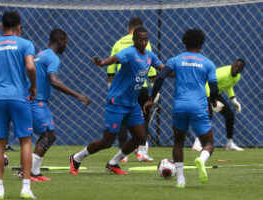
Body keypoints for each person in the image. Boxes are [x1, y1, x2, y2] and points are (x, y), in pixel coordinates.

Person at [69, 26, 164, 175]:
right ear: (134, 40)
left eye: (145, 39)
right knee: (107, 141)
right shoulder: (129, 52)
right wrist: (101, 63)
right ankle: (76, 158)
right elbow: (114, 59)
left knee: (140, 137)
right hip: (117, 101)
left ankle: (113, 163)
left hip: (132, 104)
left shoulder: (150, 56)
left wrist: (176, 71)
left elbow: (163, 68)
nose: (143, 42)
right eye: (140, 39)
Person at [143, 29, 221, 188]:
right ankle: (202, 159)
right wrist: (213, 101)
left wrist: (152, 98)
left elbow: (160, 78)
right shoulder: (208, 63)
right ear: (202, 43)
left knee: (178, 142)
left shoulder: (175, 60)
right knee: (208, 143)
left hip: (179, 106)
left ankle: (180, 179)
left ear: (184, 42)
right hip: (199, 106)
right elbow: (214, 89)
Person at [0, 11, 37, 199]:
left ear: (1, 27)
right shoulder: (26, 44)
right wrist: (33, 85)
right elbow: (30, 67)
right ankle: (26, 188)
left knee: (0, 143)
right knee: (25, 140)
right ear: (19, 27)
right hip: (19, 97)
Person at [27, 28, 90, 182]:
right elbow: (53, 80)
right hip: (36, 101)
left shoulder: (40, 54)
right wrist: (77, 95)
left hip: (35, 100)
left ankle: (34, 172)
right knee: (48, 134)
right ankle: (29, 172)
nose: (66, 46)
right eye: (66, 42)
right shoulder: (52, 57)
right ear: (60, 41)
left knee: (48, 135)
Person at [107, 17, 157, 163]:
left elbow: (111, 67)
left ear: (128, 27)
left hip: (123, 88)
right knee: (145, 115)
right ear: (140, 28)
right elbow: (151, 66)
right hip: (141, 86)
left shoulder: (119, 43)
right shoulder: (146, 43)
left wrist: (110, 85)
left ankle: (123, 152)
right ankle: (142, 151)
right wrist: (155, 88)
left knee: (121, 118)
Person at [192, 58, 246, 152]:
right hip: (203, 91)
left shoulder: (237, 77)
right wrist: (211, 100)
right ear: (232, 64)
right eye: (235, 65)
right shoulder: (223, 73)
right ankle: (197, 144)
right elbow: (207, 83)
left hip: (215, 93)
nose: (236, 68)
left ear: (241, 70)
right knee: (208, 115)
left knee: (229, 115)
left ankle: (230, 144)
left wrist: (233, 100)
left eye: (239, 67)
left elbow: (228, 86)